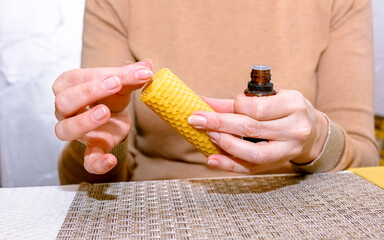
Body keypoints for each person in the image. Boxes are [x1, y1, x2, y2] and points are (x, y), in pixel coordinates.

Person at [53, 0, 379, 184]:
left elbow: (365, 161)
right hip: (158, 209)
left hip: (298, 203)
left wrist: (317, 138)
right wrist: (102, 140)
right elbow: (89, 183)